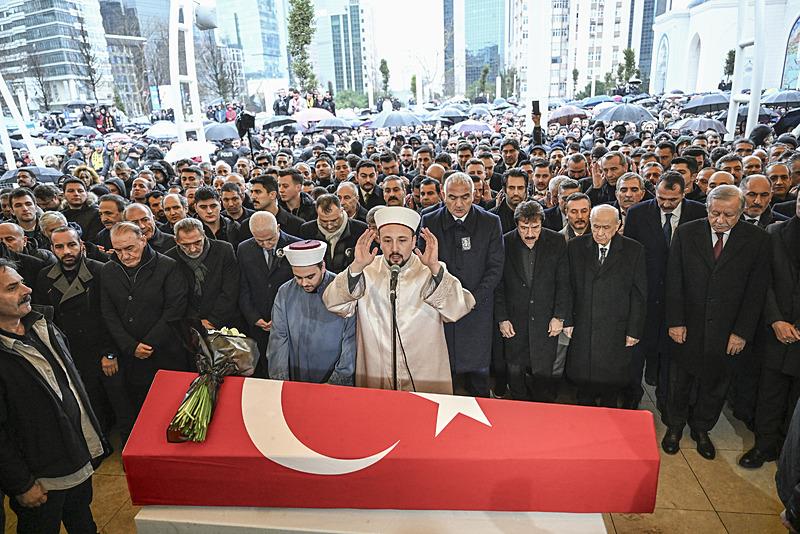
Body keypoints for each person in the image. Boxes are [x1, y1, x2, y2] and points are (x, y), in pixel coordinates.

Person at [0, 257, 109, 534]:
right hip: (41, 479)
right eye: (12, 288)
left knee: (83, 523)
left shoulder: (42, 325)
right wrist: (21, 484)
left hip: (76, 457)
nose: (27, 290)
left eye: (22, 282)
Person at [662, 185, 770, 460]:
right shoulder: (687, 232)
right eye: (714, 213)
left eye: (728, 215)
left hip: (727, 329)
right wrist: (676, 321)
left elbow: (756, 291)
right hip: (688, 324)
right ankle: (674, 427)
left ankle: (701, 428)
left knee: (715, 383)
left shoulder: (757, 239)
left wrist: (742, 332)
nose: (720, 220)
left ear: (742, 212)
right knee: (680, 380)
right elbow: (674, 280)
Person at [623, 171, 707, 411]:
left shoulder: (698, 213)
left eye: (673, 200)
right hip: (646, 298)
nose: (666, 204)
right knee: (636, 356)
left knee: (671, 359)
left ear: (685, 192)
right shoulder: (638, 213)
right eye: (661, 198)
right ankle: (631, 401)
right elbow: (629, 256)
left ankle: (667, 404)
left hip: (681, 301)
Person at [420, 173, 504, 397]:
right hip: (439, 310)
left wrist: (472, 299)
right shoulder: (428, 221)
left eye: (465, 197)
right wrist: (445, 298)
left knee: (478, 375)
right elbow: (421, 266)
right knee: (442, 373)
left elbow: (495, 268)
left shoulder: (490, 222)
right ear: (442, 195)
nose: (459, 204)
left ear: (474, 195)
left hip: (477, 309)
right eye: (452, 197)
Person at [564, 204, 647, 407]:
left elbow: (639, 295)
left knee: (611, 384)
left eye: (606, 228)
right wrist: (567, 319)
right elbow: (567, 287)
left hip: (616, 329)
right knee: (584, 385)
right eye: (595, 227)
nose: (600, 233)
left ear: (618, 226)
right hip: (584, 326)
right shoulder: (575, 247)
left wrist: (634, 330)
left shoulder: (633, 250)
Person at [101, 222, 188, 413]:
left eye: (129, 248)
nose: (124, 256)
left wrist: (148, 344)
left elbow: (174, 309)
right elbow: (108, 313)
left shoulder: (167, 266)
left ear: (143, 239)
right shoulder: (108, 271)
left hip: (165, 352)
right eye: (118, 250)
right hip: (130, 357)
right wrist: (131, 346)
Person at [740, 195, 800, 468]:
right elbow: (763, 282)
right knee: (770, 392)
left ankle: (791, 453)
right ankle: (764, 446)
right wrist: (776, 320)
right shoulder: (775, 232)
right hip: (776, 330)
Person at [494, 201, 570, 402]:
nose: (529, 233)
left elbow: (564, 283)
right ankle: (519, 406)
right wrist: (502, 318)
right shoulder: (505, 242)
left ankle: (542, 409)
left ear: (542, 224)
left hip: (546, 319)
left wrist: (559, 316)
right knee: (515, 367)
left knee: (543, 370)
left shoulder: (557, 241)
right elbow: (498, 285)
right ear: (516, 224)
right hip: (514, 319)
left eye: (535, 228)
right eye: (524, 228)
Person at [268, 240, 356, 385]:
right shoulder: (285, 291)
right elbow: (278, 338)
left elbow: (351, 341)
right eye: (298, 277)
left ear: (323, 267)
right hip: (296, 376)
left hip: (333, 377)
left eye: (310, 277)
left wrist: (336, 381)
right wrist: (280, 381)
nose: (304, 283)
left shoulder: (342, 290)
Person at [237, 212, 300, 376]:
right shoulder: (244, 249)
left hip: (290, 321)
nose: (266, 244)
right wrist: (254, 318)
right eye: (260, 241)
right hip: (260, 322)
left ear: (278, 228)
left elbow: (302, 289)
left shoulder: (296, 246)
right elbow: (243, 286)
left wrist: (282, 319)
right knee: (265, 368)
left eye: (270, 239)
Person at [166, 218, 240, 332]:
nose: (193, 249)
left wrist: (213, 321)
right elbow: (175, 298)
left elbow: (230, 290)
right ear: (176, 240)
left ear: (204, 234)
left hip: (226, 321)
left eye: (197, 242)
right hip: (188, 326)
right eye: (185, 245)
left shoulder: (224, 250)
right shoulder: (169, 259)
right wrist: (195, 322)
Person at [298, 194, 367, 273]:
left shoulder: (360, 230)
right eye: (324, 221)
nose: (329, 226)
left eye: (334, 220)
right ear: (317, 212)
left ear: (341, 210)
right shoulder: (307, 230)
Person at [61, 178, 103, 244]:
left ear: (86, 193)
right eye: (71, 191)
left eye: (80, 191)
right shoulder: (61, 216)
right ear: (64, 195)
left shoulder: (97, 213)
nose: (76, 194)